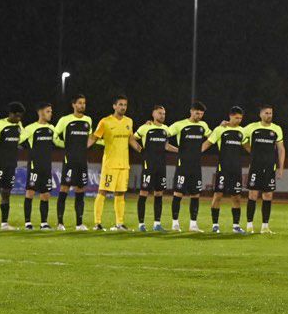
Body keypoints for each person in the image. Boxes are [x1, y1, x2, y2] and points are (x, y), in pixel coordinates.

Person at [90, 95, 135, 231]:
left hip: (124, 164)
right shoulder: (105, 121)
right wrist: (80, 148)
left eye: (125, 105)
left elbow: (131, 139)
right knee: (102, 191)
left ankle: (119, 224)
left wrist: (143, 150)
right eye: (120, 104)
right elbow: (94, 137)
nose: (123, 107)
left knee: (120, 194)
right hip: (110, 163)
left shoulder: (129, 121)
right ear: (114, 106)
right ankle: (97, 223)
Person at [204, 106, 250, 233]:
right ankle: (215, 225)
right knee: (218, 194)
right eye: (236, 118)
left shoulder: (242, 131)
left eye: (240, 118)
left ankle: (236, 226)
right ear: (230, 116)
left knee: (236, 197)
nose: (239, 120)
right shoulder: (220, 129)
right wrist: (195, 154)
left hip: (236, 169)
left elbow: (248, 147)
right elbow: (208, 143)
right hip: (223, 168)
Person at [133, 104, 176, 232]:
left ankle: (157, 223)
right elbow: (132, 139)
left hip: (161, 165)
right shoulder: (145, 127)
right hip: (149, 165)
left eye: (163, 113)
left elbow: (166, 146)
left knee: (159, 193)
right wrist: (141, 150)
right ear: (153, 114)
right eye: (159, 113)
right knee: (144, 192)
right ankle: (141, 224)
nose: (162, 116)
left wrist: (180, 150)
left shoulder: (166, 129)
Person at [54, 94, 94, 230]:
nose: (82, 105)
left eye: (84, 103)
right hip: (69, 160)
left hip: (82, 160)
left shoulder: (88, 120)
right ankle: (60, 223)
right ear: (74, 105)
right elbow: (54, 136)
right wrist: (64, 145)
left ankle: (79, 224)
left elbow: (90, 137)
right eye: (79, 103)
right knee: (64, 188)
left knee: (80, 190)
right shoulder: (65, 120)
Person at [169, 102, 211, 232]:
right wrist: (176, 150)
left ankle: (193, 224)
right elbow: (164, 135)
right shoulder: (179, 125)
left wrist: (202, 149)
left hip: (196, 166)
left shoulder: (203, 125)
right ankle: (175, 223)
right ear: (191, 111)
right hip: (183, 165)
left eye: (201, 114)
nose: (199, 116)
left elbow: (212, 138)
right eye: (197, 113)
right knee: (178, 193)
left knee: (195, 195)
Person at [245, 104, 286, 233]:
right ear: (261, 114)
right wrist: (227, 124)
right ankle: (249, 224)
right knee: (252, 194)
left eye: (271, 113)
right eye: (267, 113)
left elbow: (281, 149)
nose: (269, 116)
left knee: (268, 195)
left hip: (269, 167)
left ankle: (265, 226)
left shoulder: (276, 129)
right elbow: (239, 136)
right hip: (255, 166)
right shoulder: (252, 127)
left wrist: (281, 168)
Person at [0, 102, 25, 229]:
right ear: (11, 114)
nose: (18, 119)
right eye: (16, 116)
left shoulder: (18, 125)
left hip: (11, 163)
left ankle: (4, 223)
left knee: (6, 193)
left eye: (20, 117)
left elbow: (22, 136)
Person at [20, 103, 59, 230]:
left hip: (46, 166)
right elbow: (19, 139)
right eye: (48, 111)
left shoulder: (52, 128)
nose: (51, 113)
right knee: (30, 192)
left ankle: (44, 223)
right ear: (41, 113)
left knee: (45, 194)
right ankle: (27, 223)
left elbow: (58, 142)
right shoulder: (31, 128)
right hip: (34, 166)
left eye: (51, 111)